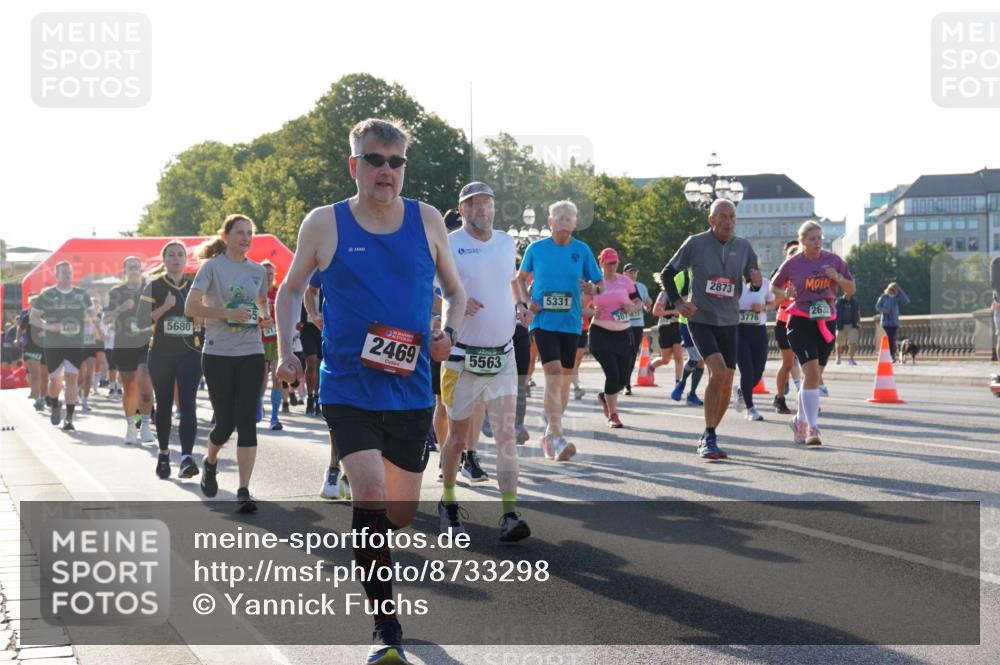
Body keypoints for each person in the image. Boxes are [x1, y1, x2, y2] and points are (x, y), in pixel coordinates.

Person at [274, 118, 465, 665]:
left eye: (395, 161)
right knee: (369, 495)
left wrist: (447, 332)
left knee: (400, 512)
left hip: (411, 391)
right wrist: (287, 349)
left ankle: (387, 580)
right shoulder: (324, 223)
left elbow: (455, 288)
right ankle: (386, 628)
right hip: (348, 386)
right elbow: (289, 292)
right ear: (354, 164)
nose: (386, 170)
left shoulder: (427, 220)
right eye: (375, 159)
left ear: (404, 166)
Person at [437, 181, 531, 542]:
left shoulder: (507, 242)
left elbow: (511, 279)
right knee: (458, 439)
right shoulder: (449, 243)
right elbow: (434, 290)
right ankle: (447, 503)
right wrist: (459, 301)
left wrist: (520, 303)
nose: (482, 209)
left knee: (506, 435)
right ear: (461, 210)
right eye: (473, 204)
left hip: (502, 353)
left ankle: (509, 514)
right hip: (462, 356)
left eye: (487, 203)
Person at [659, 199, 761, 461]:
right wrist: (679, 303)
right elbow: (667, 273)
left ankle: (711, 433)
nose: (728, 222)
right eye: (723, 217)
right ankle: (709, 436)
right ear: (711, 220)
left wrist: (757, 282)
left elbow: (753, 279)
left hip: (730, 321)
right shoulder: (695, 243)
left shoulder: (744, 247)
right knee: (717, 372)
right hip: (701, 319)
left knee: (728, 379)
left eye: (732, 217)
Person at [186, 214, 271, 513]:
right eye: (240, 232)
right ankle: (210, 463)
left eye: (250, 233)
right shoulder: (212, 267)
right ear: (225, 236)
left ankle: (244, 490)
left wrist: (265, 316)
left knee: (247, 420)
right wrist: (225, 314)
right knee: (225, 422)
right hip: (218, 353)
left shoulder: (257, 270)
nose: (246, 238)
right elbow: (191, 306)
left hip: (251, 351)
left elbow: (261, 302)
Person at [516, 200, 604, 462]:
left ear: (575, 223)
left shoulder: (582, 250)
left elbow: (600, 283)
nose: (564, 221)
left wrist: (594, 290)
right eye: (560, 217)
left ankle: (550, 433)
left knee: (564, 379)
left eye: (569, 217)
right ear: (550, 222)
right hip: (543, 322)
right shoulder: (536, 249)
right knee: (553, 372)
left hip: (571, 322)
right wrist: (525, 302)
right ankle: (557, 435)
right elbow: (519, 279)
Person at [771, 220, 855, 446]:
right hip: (799, 320)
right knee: (810, 374)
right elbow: (773, 287)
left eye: (820, 237)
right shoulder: (793, 263)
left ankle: (799, 420)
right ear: (802, 242)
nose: (818, 242)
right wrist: (785, 292)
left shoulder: (834, 260)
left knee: (814, 376)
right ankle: (812, 429)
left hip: (826, 320)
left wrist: (836, 277)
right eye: (812, 239)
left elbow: (851, 289)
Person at [140, 240, 203, 480]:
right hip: (160, 354)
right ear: (164, 260)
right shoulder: (154, 286)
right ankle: (164, 453)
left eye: (180, 255)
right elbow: (141, 321)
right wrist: (165, 307)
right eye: (172, 255)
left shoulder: (196, 285)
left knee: (188, 404)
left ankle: (186, 457)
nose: (176, 259)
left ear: (186, 260)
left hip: (190, 353)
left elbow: (206, 315)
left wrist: (200, 318)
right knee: (164, 405)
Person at [30, 262, 93, 431]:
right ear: (56, 275)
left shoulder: (81, 294)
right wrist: (49, 327)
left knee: (72, 378)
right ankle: (55, 403)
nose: (67, 275)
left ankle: (69, 418)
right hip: (53, 343)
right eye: (63, 272)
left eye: (69, 272)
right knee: (55, 380)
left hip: (75, 343)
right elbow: (33, 317)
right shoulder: (47, 294)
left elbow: (92, 312)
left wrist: (90, 317)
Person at [104, 257, 156, 445]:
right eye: (130, 267)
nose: (134, 270)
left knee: (144, 380)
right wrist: (120, 308)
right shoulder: (116, 292)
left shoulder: (150, 289)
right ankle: (131, 427)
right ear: (124, 270)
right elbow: (106, 320)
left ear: (141, 269)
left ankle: (146, 426)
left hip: (147, 342)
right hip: (124, 343)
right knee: (130, 387)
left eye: (136, 266)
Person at [590, 248, 643, 427]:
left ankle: (605, 397)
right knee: (612, 375)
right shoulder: (595, 283)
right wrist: (591, 311)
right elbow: (580, 305)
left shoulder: (625, 281)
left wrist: (632, 307)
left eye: (614, 263)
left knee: (624, 378)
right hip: (601, 333)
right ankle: (613, 415)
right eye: (608, 263)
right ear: (601, 263)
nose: (611, 266)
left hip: (624, 334)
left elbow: (638, 302)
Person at [734, 266, 776, 421]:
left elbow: (773, 304)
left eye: (755, 272)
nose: (754, 275)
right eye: (750, 272)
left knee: (758, 372)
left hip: (758, 331)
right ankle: (750, 409)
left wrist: (763, 307)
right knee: (747, 369)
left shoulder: (765, 284)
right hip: (739, 331)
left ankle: (741, 391)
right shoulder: (736, 284)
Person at [666, 269, 705, 406]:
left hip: (705, 321)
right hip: (687, 322)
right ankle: (681, 385)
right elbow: (674, 298)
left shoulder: (709, 271)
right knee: (695, 357)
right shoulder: (681, 276)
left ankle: (692, 394)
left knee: (701, 361)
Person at [772, 241, 801, 414]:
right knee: (788, 363)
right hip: (784, 322)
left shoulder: (807, 275)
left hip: (803, 321)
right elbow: (773, 303)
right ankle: (779, 398)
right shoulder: (780, 276)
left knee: (808, 363)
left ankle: (806, 398)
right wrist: (786, 295)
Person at [622, 263, 652, 394]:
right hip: (623, 324)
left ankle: (626, 383)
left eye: (634, 272)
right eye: (630, 272)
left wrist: (648, 304)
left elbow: (646, 302)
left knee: (632, 354)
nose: (632, 274)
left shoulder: (641, 287)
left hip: (637, 324)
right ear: (624, 274)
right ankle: (622, 380)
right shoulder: (621, 287)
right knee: (624, 353)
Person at [650, 275, 684, 386]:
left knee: (679, 357)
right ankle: (650, 367)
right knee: (666, 360)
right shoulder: (664, 294)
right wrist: (672, 311)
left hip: (678, 326)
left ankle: (678, 383)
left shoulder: (681, 295)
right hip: (665, 327)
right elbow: (655, 312)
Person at [17, 295, 48, 412]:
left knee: (44, 376)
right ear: (30, 304)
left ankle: (43, 396)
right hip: (30, 348)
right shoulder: (26, 317)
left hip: (43, 348)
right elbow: (20, 328)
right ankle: (37, 399)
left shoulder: (46, 315)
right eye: (33, 302)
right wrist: (18, 339)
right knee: (36, 375)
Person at [875, 282, 909, 363]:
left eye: (894, 289)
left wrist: (901, 291)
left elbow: (906, 301)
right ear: (888, 289)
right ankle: (892, 356)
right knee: (890, 338)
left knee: (893, 339)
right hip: (886, 322)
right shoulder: (883, 297)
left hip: (894, 322)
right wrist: (884, 310)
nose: (892, 291)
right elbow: (877, 306)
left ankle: (893, 355)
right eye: (890, 289)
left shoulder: (897, 298)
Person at [835, 291, 861, 365]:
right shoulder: (839, 300)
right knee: (839, 343)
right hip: (840, 325)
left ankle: (851, 359)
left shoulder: (855, 301)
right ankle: (838, 357)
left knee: (853, 342)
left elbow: (858, 312)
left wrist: (859, 323)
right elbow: (834, 312)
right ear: (845, 291)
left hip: (852, 325)